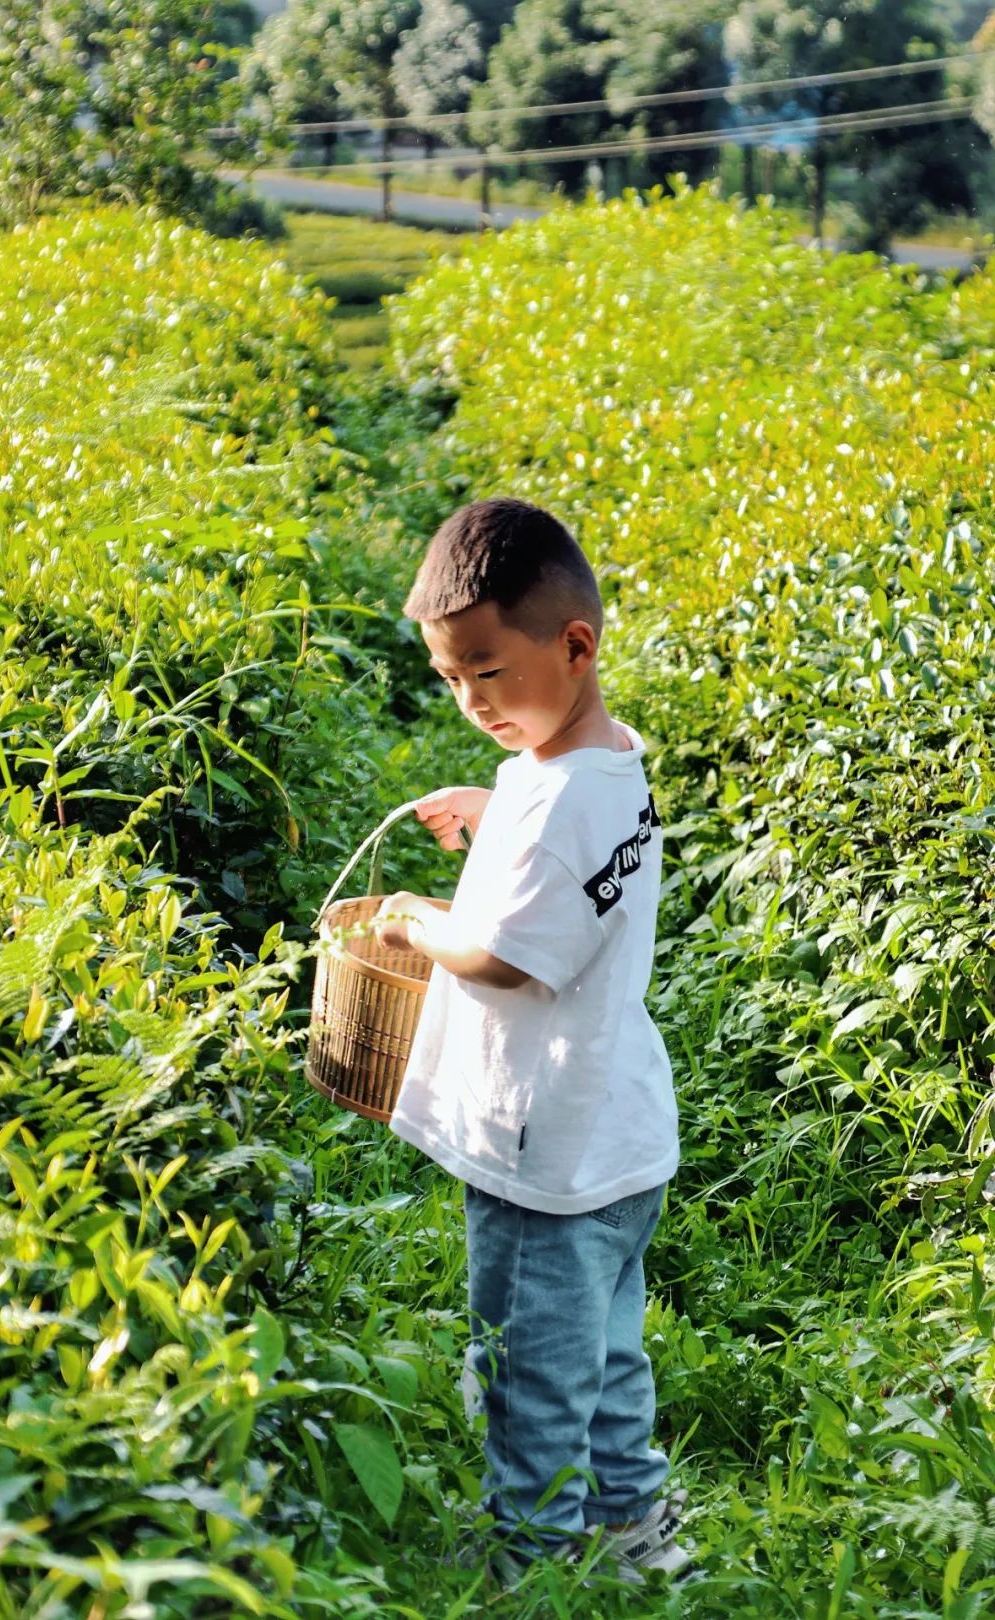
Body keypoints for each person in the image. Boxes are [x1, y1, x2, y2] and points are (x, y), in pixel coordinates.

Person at [370, 496, 687, 1587]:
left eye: (488, 673)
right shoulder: (602, 762)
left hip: (542, 1153)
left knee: (527, 1366)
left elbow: (502, 957)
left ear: (576, 643)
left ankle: (532, 1558)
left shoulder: (556, 809)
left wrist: (416, 915)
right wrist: (493, 802)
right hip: (613, 1137)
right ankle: (633, 1518)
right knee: (605, 1352)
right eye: (451, 680)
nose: (470, 702)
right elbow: (559, 814)